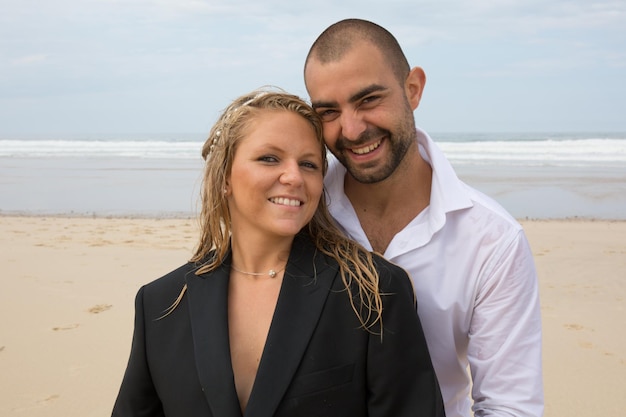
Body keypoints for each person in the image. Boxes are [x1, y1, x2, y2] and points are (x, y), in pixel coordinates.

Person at [111, 88, 445, 417]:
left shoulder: (373, 292)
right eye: (269, 158)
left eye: (309, 164)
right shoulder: (160, 304)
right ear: (225, 175)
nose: (294, 177)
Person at [303, 19, 543, 417]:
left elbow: (509, 406)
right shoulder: (301, 213)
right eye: (329, 111)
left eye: (368, 100)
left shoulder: (493, 241)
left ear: (412, 89)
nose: (351, 129)